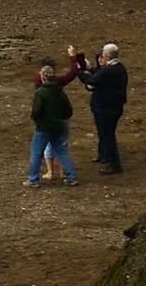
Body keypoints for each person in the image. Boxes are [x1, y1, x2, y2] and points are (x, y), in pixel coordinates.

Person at [35, 46, 87, 181]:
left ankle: (50, 171)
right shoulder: (59, 87)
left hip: (46, 122)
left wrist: (37, 119)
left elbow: (37, 110)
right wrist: (72, 57)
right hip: (60, 120)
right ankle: (65, 172)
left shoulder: (39, 87)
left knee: (45, 147)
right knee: (62, 148)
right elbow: (73, 73)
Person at [79, 43, 130, 173]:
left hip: (108, 108)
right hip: (112, 106)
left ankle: (114, 164)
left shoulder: (109, 71)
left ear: (106, 56)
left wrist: (80, 71)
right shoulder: (118, 69)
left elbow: (91, 80)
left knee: (108, 136)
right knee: (105, 134)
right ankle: (105, 156)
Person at [26, 65, 79, 187]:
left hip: (44, 128)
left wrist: (37, 120)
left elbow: (36, 112)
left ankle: (33, 179)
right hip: (59, 126)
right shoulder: (60, 91)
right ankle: (71, 176)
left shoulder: (41, 93)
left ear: (43, 77)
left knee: (36, 153)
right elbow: (68, 111)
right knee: (61, 152)